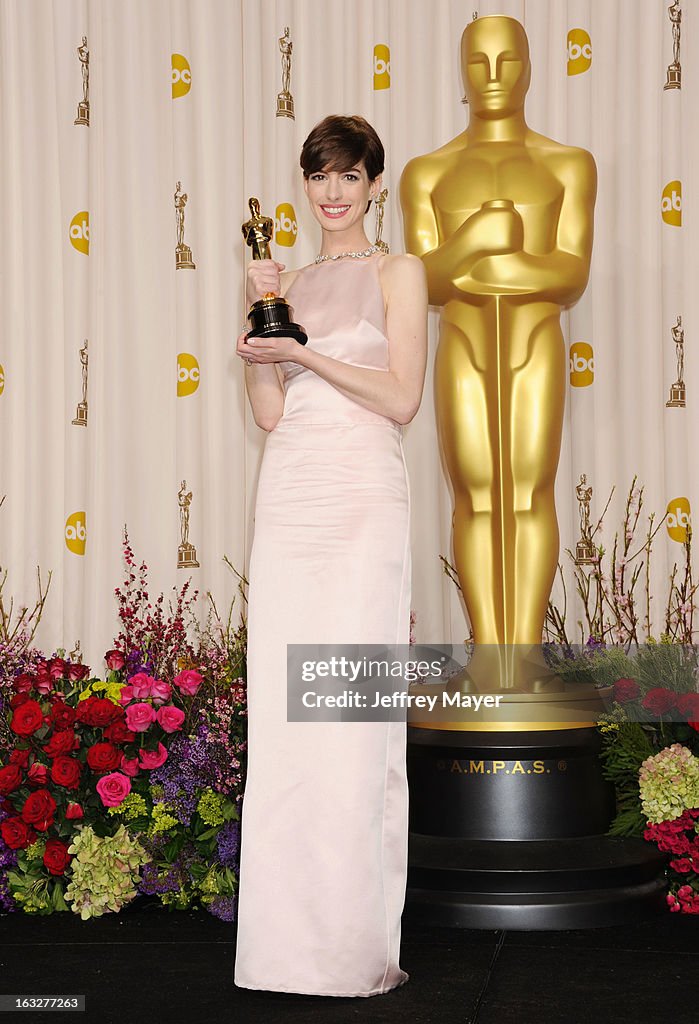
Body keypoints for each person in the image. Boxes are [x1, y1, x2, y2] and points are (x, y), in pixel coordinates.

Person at [233, 114, 428, 997]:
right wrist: (260, 345)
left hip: (358, 499)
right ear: (305, 185)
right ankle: (282, 952)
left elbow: (400, 398)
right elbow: (271, 411)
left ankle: (351, 952)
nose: (333, 192)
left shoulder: (398, 272)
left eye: (350, 176)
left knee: (348, 715)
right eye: (320, 176)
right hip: (289, 493)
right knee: (285, 716)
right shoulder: (291, 277)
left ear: (374, 185)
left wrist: (303, 351)